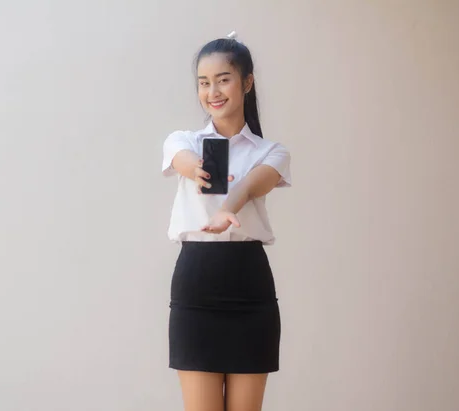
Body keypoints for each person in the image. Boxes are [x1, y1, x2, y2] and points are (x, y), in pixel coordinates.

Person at [161, 31, 292, 411]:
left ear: (246, 83)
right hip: (196, 287)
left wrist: (226, 209)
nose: (212, 91)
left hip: (249, 287)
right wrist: (202, 168)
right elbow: (183, 162)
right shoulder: (182, 141)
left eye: (223, 79)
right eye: (204, 83)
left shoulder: (272, 151)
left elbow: (253, 184)